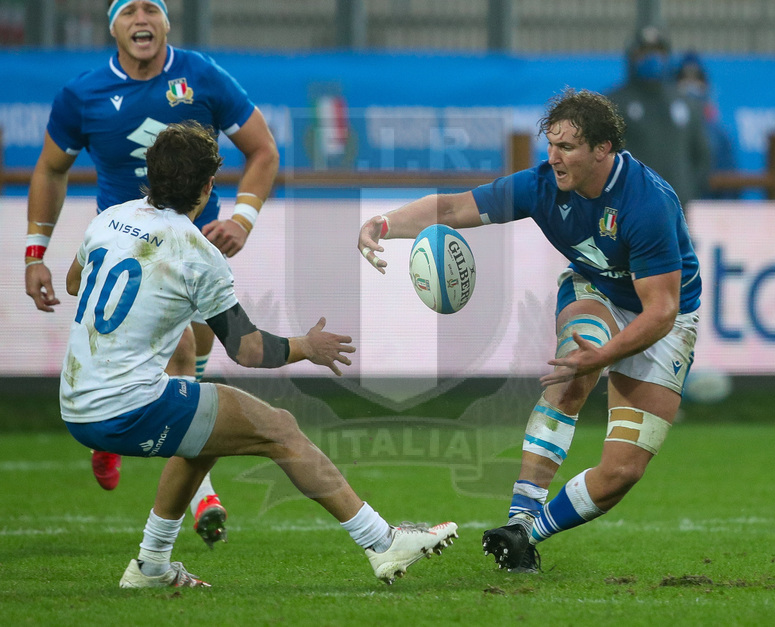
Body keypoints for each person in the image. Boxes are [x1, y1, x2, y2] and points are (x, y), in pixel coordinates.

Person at [60, 120, 458, 588]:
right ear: (209, 187)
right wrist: (306, 346)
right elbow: (248, 350)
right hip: (124, 406)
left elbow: (73, 282)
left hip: (75, 401)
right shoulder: (197, 254)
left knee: (207, 430)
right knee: (279, 428)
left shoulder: (109, 218)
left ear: (149, 173)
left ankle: (151, 565)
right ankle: (381, 540)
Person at [358, 88, 700, 573]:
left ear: (603, 149)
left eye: (567, 148)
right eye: (551, 144)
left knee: (622, 472)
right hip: (595, 290)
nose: (553, 157)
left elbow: (661, 311)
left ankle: (526, 534)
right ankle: (520, 511)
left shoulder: (646, 203)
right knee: (572, 372)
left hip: (664, 322)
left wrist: (604, 358)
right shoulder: (543, 186)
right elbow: (454, 209)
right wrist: (383, 223)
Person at [24, 0, 279, 544]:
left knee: (197, 347)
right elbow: (50, 167)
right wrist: (34, 252)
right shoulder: (83, 94)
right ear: (112, 25)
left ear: (166, 21)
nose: (142, 18)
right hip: (126, 247)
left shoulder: (202, 75)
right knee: (182, 349)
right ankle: (197, 494)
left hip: (195, 246)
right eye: (129, 10)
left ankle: (125, 445)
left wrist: (243, 218)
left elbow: (263, 150)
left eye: (152, 8)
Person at [606, 25, 711, 210]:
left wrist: (687, 190)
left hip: (675, 208)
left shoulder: (685, 102)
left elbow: (702, 155)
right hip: (629, 208)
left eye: (658, 52)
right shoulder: (613, 103)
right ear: (632, 56)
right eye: (644, 52)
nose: (652, 58)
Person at [675, 51, 739, 200]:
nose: (691, 85)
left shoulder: (719, 136)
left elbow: (730, 187)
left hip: (710, 214)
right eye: (684, 78)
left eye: (697, 79)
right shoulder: (663, 131)